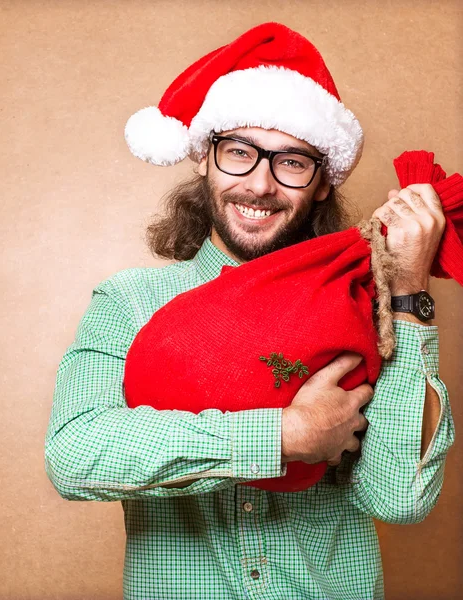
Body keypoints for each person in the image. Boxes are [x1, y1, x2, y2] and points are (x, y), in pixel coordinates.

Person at [44, 23, 455, 600]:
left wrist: (408, 289)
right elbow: (75, 456)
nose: (260, 185)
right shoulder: (129, 303)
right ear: (205, 161)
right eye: (238, 152)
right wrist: (286, 434)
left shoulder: (362, 309)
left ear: (320, 184)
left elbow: (398, 499)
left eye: (291, 163)